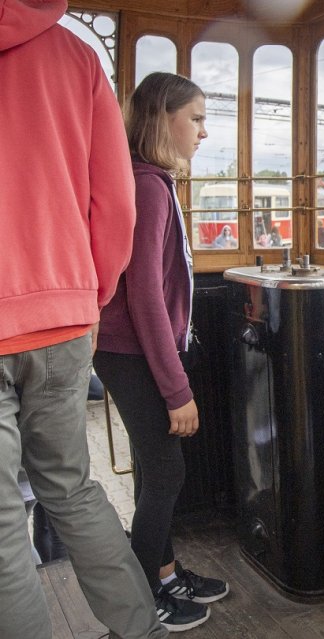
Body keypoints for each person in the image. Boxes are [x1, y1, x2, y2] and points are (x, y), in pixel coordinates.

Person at [0, 2, 168, 637]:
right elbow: (116, 203)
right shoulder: (76, 57)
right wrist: (90, 297)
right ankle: (142, 629)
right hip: (66, 319)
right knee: (72, 489)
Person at [93, 72, 228, 633]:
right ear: (161, 119)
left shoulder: (150, 180)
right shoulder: (148, 186)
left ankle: (165, 574)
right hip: (132, 353)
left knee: (156, 467)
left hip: (131, 350)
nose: (203, 131)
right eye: (195, 118)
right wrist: (177, 390)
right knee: (167, 473)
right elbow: (144, 294)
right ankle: (142, 596)